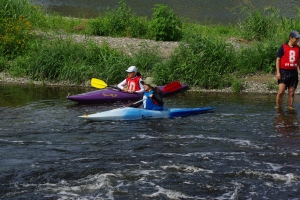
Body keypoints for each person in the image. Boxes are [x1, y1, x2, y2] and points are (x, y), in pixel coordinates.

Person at [275, 30, 300, 110]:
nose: (297, 40)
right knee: (281, 92)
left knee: (291, 93)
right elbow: (278, 60)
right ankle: (278, 107)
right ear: (291, 38)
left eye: (298, 38)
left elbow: (299, 60)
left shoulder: (298, 48)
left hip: (293, 73)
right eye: (296, 38)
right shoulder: (283, 47)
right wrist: (278, 72)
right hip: (284, 72)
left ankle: (289, 107)